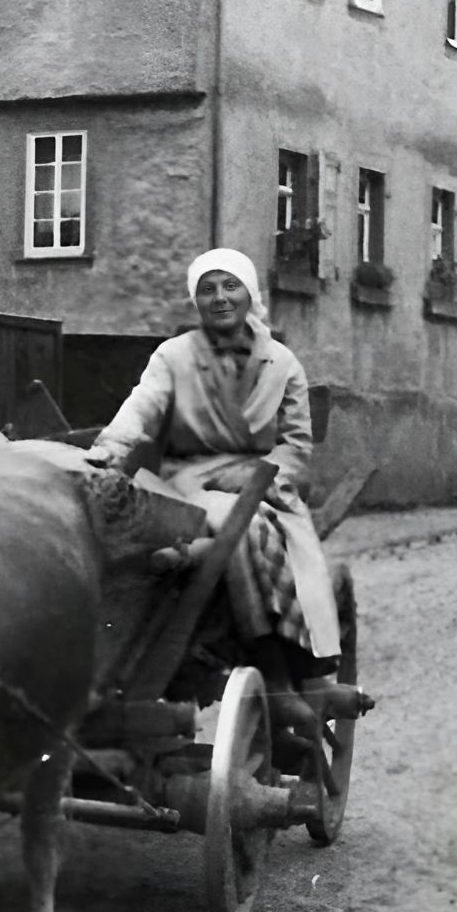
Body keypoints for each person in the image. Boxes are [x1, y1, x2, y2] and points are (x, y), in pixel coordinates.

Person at [82, 248, 342, 696]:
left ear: (249, 294)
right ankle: (267, 660)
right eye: (207, 289)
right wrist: (112, 447)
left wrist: (261, 476)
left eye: (230, 286)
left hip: (263, 485)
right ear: (196, 301)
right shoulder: (173, 356)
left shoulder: (282, 364)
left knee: (252, 525)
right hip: (188, 482)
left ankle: (286, 664)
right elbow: (143, 404)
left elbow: (297, 445)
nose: (220, 298)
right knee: (236, 527)